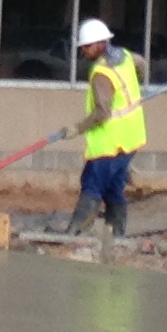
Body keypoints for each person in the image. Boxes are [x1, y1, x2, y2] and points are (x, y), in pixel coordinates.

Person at [63, 17, 145, 239]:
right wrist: (139, 83)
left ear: (100, 44)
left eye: (86, 47)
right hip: (132, 138)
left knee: (92, 183)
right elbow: (142, 64)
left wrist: (76, 129)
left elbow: (102, 113)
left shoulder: (102, 73)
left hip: (110, 143)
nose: (83, 52)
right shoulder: (126, 57)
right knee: (113, 187)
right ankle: (116, 232)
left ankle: (76, 229)